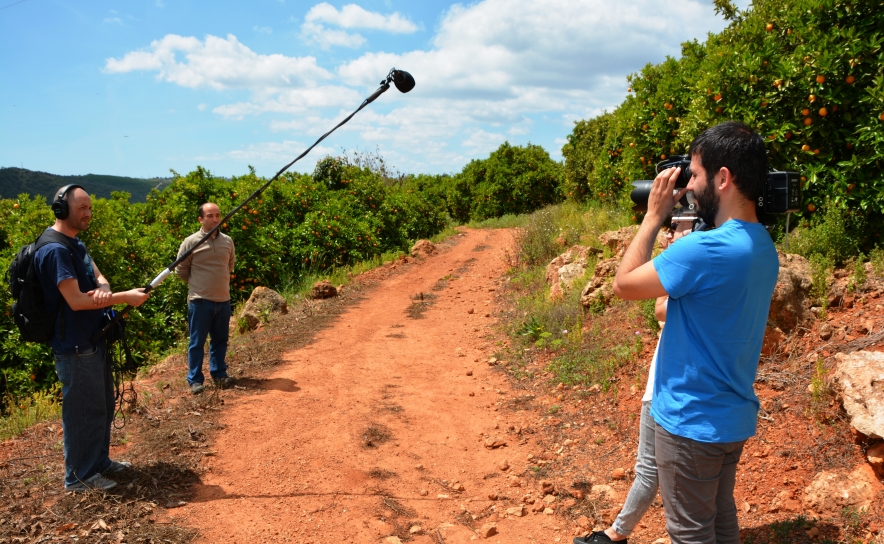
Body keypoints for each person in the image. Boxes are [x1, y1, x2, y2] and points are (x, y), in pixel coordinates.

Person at [611, 121, 780, 544]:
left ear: (723, 179)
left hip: (689, 422)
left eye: (696, 174)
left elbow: (624, 283)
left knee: (690, 533)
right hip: (730, 417)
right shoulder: (762, 244)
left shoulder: (703, 250)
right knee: (721, 522)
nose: (688, 185)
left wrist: (652, 217)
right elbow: (672, 307)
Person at [575, 221, 693, 544]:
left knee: (653, 473)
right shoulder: (690, 269)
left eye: (678, 227)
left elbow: (659, 307)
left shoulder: (693, 268)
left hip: (665, 390)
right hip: (662, 385)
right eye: (669, 227)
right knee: (653, 472)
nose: (669, 235)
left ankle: (617, 534)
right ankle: (618, 533)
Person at [35, 185, 150, 492]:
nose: (87, 214)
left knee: (102, 405)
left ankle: (98, 462)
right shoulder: (55, 250)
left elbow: (99, 277)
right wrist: (123, 297)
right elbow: (75, 301)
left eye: (89, 208)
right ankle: (79, 477)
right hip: (74, 344)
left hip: (94, 338)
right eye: (81, 208)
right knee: (83, 412)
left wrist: (104, 288)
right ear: (62, 209)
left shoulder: (75, 243)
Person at [175, 202, 236, 394]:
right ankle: (195, 380)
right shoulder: (191, 242)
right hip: (200, 302)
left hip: (223, 300)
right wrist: (198, 286)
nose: (215, 219)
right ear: (200, 219)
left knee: (220, 340)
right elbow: (181, 270)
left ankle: (219, 374)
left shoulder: (227, 241)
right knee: (197, 343)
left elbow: (230, 265)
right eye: (210, 216)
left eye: (217, 215)